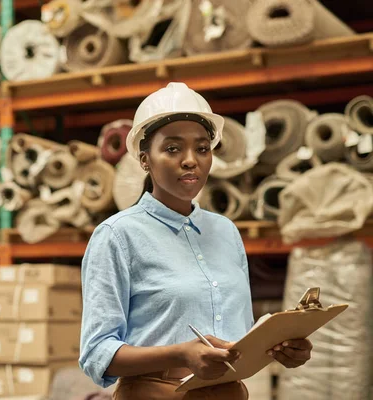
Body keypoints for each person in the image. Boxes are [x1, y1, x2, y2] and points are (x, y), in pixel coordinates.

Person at [79, 82, 313, 399]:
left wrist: (281, 348)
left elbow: (239, 339)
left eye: (202, 148)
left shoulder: (226, 232)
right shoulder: (117, 236)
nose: (191, 160)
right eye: (173, 149)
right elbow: (96, 354)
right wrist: (180, 354)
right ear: (145, 159)